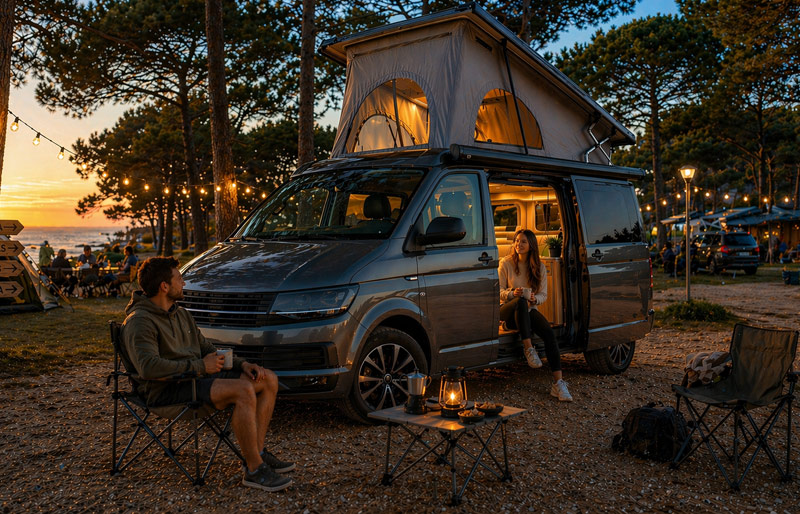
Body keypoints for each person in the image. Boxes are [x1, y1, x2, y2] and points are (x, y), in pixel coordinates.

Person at [122, 257, 293, 492]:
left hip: (196, 380)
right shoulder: (139, 321)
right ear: (164, 286)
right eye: (179, 278)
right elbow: (149, 368)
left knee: (267, 379)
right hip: (166, 391)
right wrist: (201, 367)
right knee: (243, 391)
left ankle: (258, 454)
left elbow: (208, 351)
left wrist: (243, 365)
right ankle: (254, 470)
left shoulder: (180, 315)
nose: (184, 282)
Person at [498, 229, 572, 402]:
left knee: (548, 333)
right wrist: (512, 293)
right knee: (520, 302)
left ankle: (558, 383)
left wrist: (534, 299)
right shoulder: (506, 263)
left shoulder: (538, 266)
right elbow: (498, 292)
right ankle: (528, 348)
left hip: (528, 310)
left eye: (523, 241)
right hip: (506, 309)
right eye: (517, 241)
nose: (518, 244)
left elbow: (543, 295)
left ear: (531, 245)